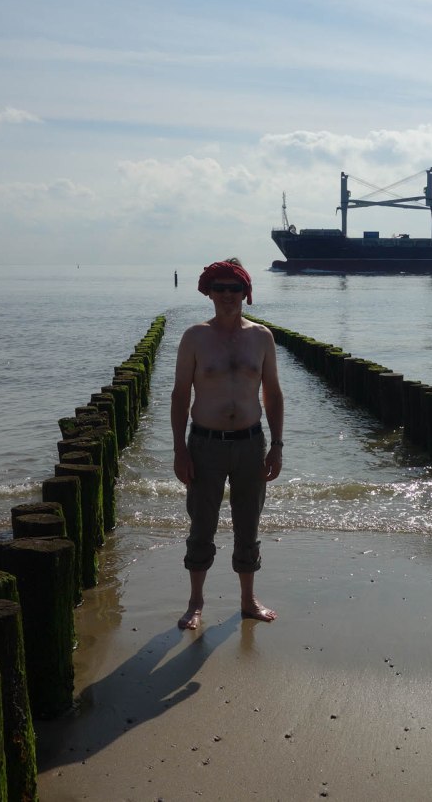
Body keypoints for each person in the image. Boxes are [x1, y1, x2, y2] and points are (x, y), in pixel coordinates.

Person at [170, 258, 284, 630]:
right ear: (209, 292)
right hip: (205, 444)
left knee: (248, 525)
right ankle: (195, 601)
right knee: (202, 525)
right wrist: (179, 450)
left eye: (234, 288)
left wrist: (277, 445)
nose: (227, 295)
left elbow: (273, 394)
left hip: (251, 443)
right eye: (219, 288)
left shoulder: (262, 337)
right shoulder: (195, 337)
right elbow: (179, 395)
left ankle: (248, 600)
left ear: (245, 292)